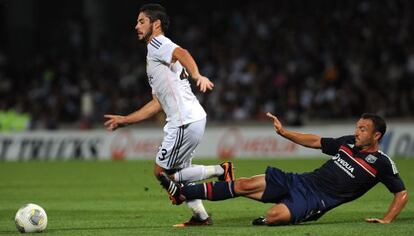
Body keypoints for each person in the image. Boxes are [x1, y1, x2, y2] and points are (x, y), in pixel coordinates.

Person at [103, 3, 234, 227]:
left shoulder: (157, 43)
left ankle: (220, 171)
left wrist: (197, 75)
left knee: (162, 173)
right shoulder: (154, 56)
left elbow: (181, 53)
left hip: (184, 121)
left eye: (141, 21)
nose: (136, 26)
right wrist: (125, 120)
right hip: (190, 119)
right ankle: (200, 216)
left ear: (156, 24)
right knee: (181, 172)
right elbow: (157, 104)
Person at [159, 112, 408, 226]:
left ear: (377, 135)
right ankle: (184, 193)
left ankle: (272, 213)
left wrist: (387, 220)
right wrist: (285, 132)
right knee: (244, 184)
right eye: (357, 127)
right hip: (301, 181)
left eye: (362, 129)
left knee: (273, 218)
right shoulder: (348, 143)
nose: (356, 131)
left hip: (316, 200)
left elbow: (401, 193)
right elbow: (316, 141)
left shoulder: (383, 163)